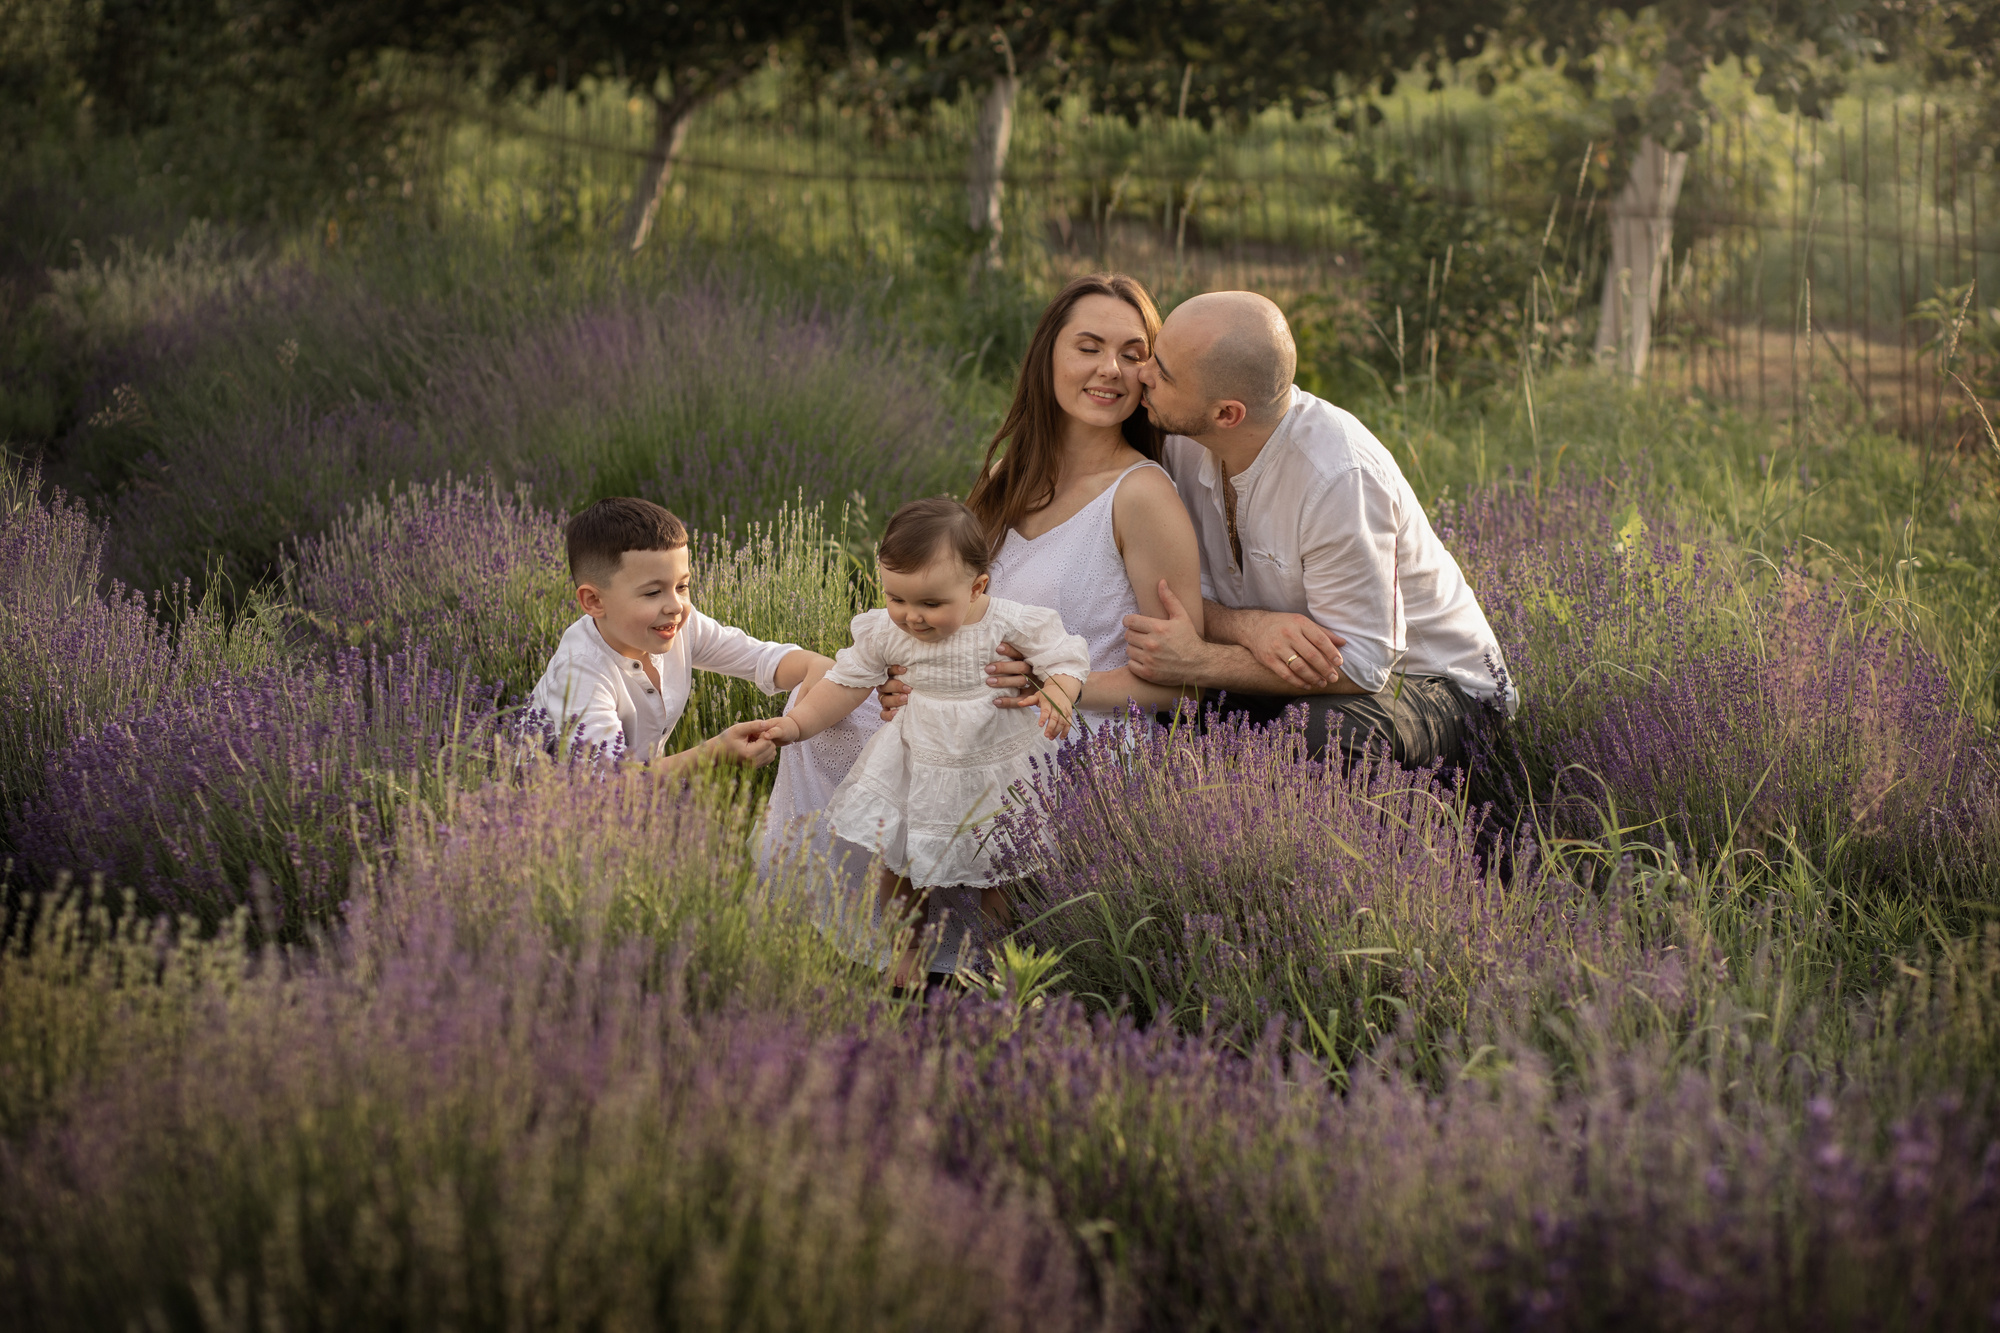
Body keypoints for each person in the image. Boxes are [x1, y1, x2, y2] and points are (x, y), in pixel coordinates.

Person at [1118, 290, 1516, 770]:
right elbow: (1171, 590)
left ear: (1227, 414)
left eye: (1162, 371)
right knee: (1155, 714)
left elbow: (1365, 663)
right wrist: (1249, 626)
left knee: (1320, 736)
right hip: (1300, 673)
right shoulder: (1184, 437)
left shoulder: (1339, 477)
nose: (1142, 374)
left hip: (1432, 687)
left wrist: (1201, 662)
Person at [753, 497, 1089, 988]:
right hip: (918, 763)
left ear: (977, 587)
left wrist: (1060, 692)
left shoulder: (1010, 623)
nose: (911, 617)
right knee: (901, 867)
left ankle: (995, 958)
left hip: (990, 765)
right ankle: (904, 950)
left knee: (999, 868)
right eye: (897, 598)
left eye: (931, 604)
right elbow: (846, 683)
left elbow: (1066, 656)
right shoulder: (885, 632)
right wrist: (797, 724)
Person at [528, 497, 831, 769]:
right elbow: (608, 787)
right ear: (594, 601)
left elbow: (760, 658)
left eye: (682, 586)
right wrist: (712, 755)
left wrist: (813, 665)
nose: (676, 605)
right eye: (652, 592)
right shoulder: (580, 675)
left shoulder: (676, 627)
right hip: (559, 818)